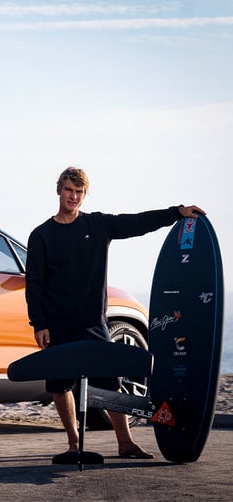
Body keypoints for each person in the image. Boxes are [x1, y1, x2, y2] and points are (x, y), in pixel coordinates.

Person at [25, 166, 205, 459]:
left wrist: (175, 212)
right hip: (57, 323)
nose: (73, 196)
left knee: (110, 380)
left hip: (93, 323)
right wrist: (39, 324)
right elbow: (34, 284)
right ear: (58, 189)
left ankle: (125, 442)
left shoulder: (97, 226)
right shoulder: (41, 235)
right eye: (69, 189)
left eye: (79, 192)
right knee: (60, 384)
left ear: (85, 194)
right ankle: (73, 444)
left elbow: (136, 223)